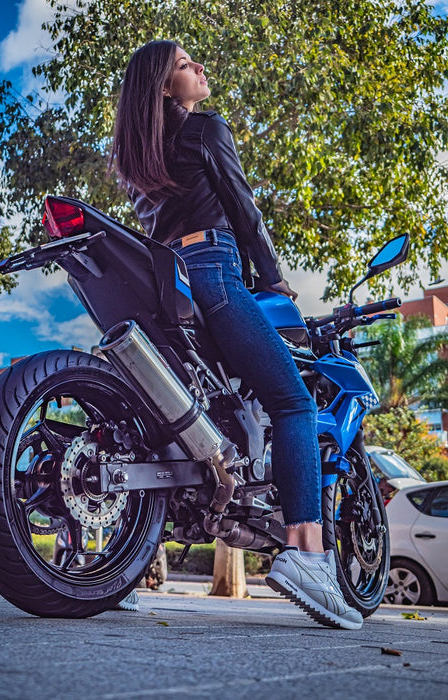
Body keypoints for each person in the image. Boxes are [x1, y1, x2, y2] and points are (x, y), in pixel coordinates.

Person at [110, 40, 362, 630]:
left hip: (167, 287)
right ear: (165, 87)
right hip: (214, 273)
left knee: (163, 428)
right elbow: (244, 211)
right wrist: (275, 280)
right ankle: (307, 554)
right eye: (185, 64)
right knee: (294, 402)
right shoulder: (204, 128)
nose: (200, 67)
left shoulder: (137, 156)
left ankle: (120, 564)